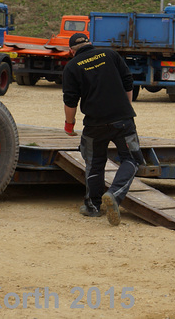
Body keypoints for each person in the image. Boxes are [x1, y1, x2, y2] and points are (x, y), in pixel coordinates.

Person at [62, 32, 140, 226]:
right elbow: (128, 81)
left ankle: (93, 207)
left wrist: (69, 125)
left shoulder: (71, 67)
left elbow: (70, 100)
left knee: (94, 163)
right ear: (91, 44)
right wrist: (126, 109)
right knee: (132, 159)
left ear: (71, 51)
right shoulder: (110, 54)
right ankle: (114, 194)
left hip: (94, 125)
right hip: (123, 121)